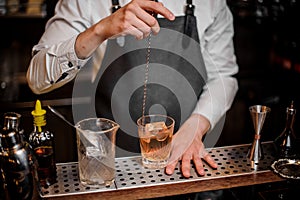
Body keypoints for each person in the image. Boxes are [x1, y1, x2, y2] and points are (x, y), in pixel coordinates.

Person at [26, 0, 238, 179]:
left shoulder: (211, 3)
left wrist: (196, 127)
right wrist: (100, 30)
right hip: (110, 167)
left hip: (185, 161)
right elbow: (37, 79)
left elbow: (224, 77)